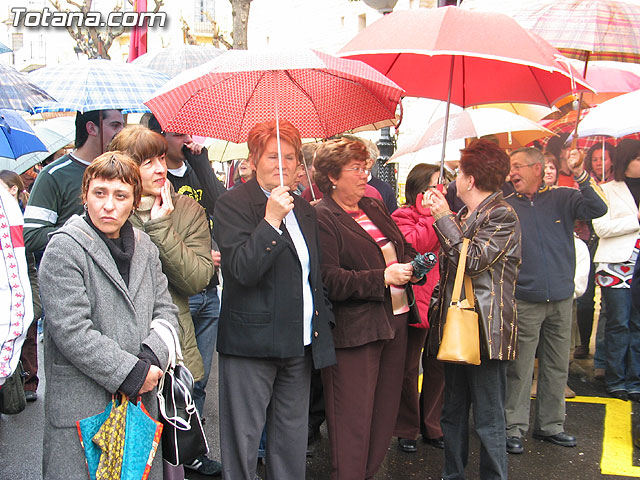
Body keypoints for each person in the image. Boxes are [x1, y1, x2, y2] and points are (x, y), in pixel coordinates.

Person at [38, 152, 179, 479]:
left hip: (139, 401)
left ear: (134, 201)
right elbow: (73, 332)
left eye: (120, 195)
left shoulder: (144, 246)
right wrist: (132, 373)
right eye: (100, 193)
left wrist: (151, 359)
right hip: (84, 403)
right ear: (85, 194)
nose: (109, 205)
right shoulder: (64, 248)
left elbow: (166, 309)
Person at [212, 119, 335, 480]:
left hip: (297, 345)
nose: (281, 165)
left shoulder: (306, 209)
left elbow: (313, 275)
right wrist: (270, 221)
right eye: (272, 156)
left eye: (290, 157)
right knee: (243, 441)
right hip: (250, 346)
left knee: (291, 440)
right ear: (253, 159)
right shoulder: (232, 204)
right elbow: (240, 270)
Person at [314, 137, 420, 480]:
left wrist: (412, 266)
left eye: (367, 167)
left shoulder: (373, 206)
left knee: (384, 412)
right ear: (332, 175)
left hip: (397, 320)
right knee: (352, 418)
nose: (365, 175)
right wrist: (382, 278)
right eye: (356, 169)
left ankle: (369, 473)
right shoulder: (322, 216)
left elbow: (398, 248)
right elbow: (330, 280)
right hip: (356, 329)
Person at [427, 139, 521, 480]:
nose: (454, 181)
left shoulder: (501, 214)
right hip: (457, 326)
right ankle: (452, 475)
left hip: (485, 331)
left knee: (488, 417)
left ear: (469, 180)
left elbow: (474, 260)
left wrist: (442, 218)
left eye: (458, 174)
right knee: (452, 412)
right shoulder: (467, 214)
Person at [504, 146, 607, 454]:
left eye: (519, 166)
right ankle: (514, 427)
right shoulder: (507, 205)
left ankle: (551, 426)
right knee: (520, 368)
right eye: (511, 167)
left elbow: (599, 208)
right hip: (525, 298)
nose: (513, 173)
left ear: (538, 168)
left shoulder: (565, 197)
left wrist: (580, 172)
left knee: (557, 365)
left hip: (561, 297)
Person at [143, 116, 225, 475]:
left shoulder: (194, 168)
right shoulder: (148, 194)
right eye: (178, 134)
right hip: (178, 297)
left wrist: (201, 158)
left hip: (208, 290)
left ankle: (190, 444)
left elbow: (218, 205)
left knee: (197, 376)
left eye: (189, 132)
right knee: (167, 379)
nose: (186, 139)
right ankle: (167, 451)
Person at [109, 125, 214, 392]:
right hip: (120, 347)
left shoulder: (187, 209)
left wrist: (160, 228)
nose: (159, 169)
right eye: (147, 162)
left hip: (174, 345)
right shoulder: (109, 213)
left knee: (182, 427)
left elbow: (197, 279)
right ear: (126, 167)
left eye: (161, 159)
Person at [390, 163, 444, 453]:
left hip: (440, 300)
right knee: (408, 369)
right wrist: (430, 215)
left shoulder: (447, 215)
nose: (440, 192)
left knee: (438, 366)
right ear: (419, 191)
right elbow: (416, 245)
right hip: (413, 303)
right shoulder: (402, 216)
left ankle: (432, 424)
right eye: (435, 186)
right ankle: (407, 427)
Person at [24, 109, 125, 253]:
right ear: (91, 128)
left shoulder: (123, 172)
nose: (121, 132)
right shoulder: (54, 175)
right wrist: (85, 234)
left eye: (122, 125)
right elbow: (32, 236)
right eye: (115, 126)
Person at [591, 139, 640, 402]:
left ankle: (635, 380)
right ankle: (616, 379)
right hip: (617, 265)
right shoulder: (606, 190)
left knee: (637, 324)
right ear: (626, 161)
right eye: (638, 159)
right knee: (618, 323)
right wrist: (635, 221)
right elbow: (601, 228)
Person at [0, 171, 40, 402]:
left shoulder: (13, 213)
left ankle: (27, 382)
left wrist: (31, 303)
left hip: (17, 293)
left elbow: (27, 266)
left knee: (28, 337)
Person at [575, 142, 615, 362]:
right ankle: (582, 342)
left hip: (609, 245)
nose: (600, 163)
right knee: (585, 297)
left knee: (607, 303)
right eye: (596, 159)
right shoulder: (584, 182)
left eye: (604, 158)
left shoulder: (618, 185)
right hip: (587, 243)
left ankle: (602, 354)